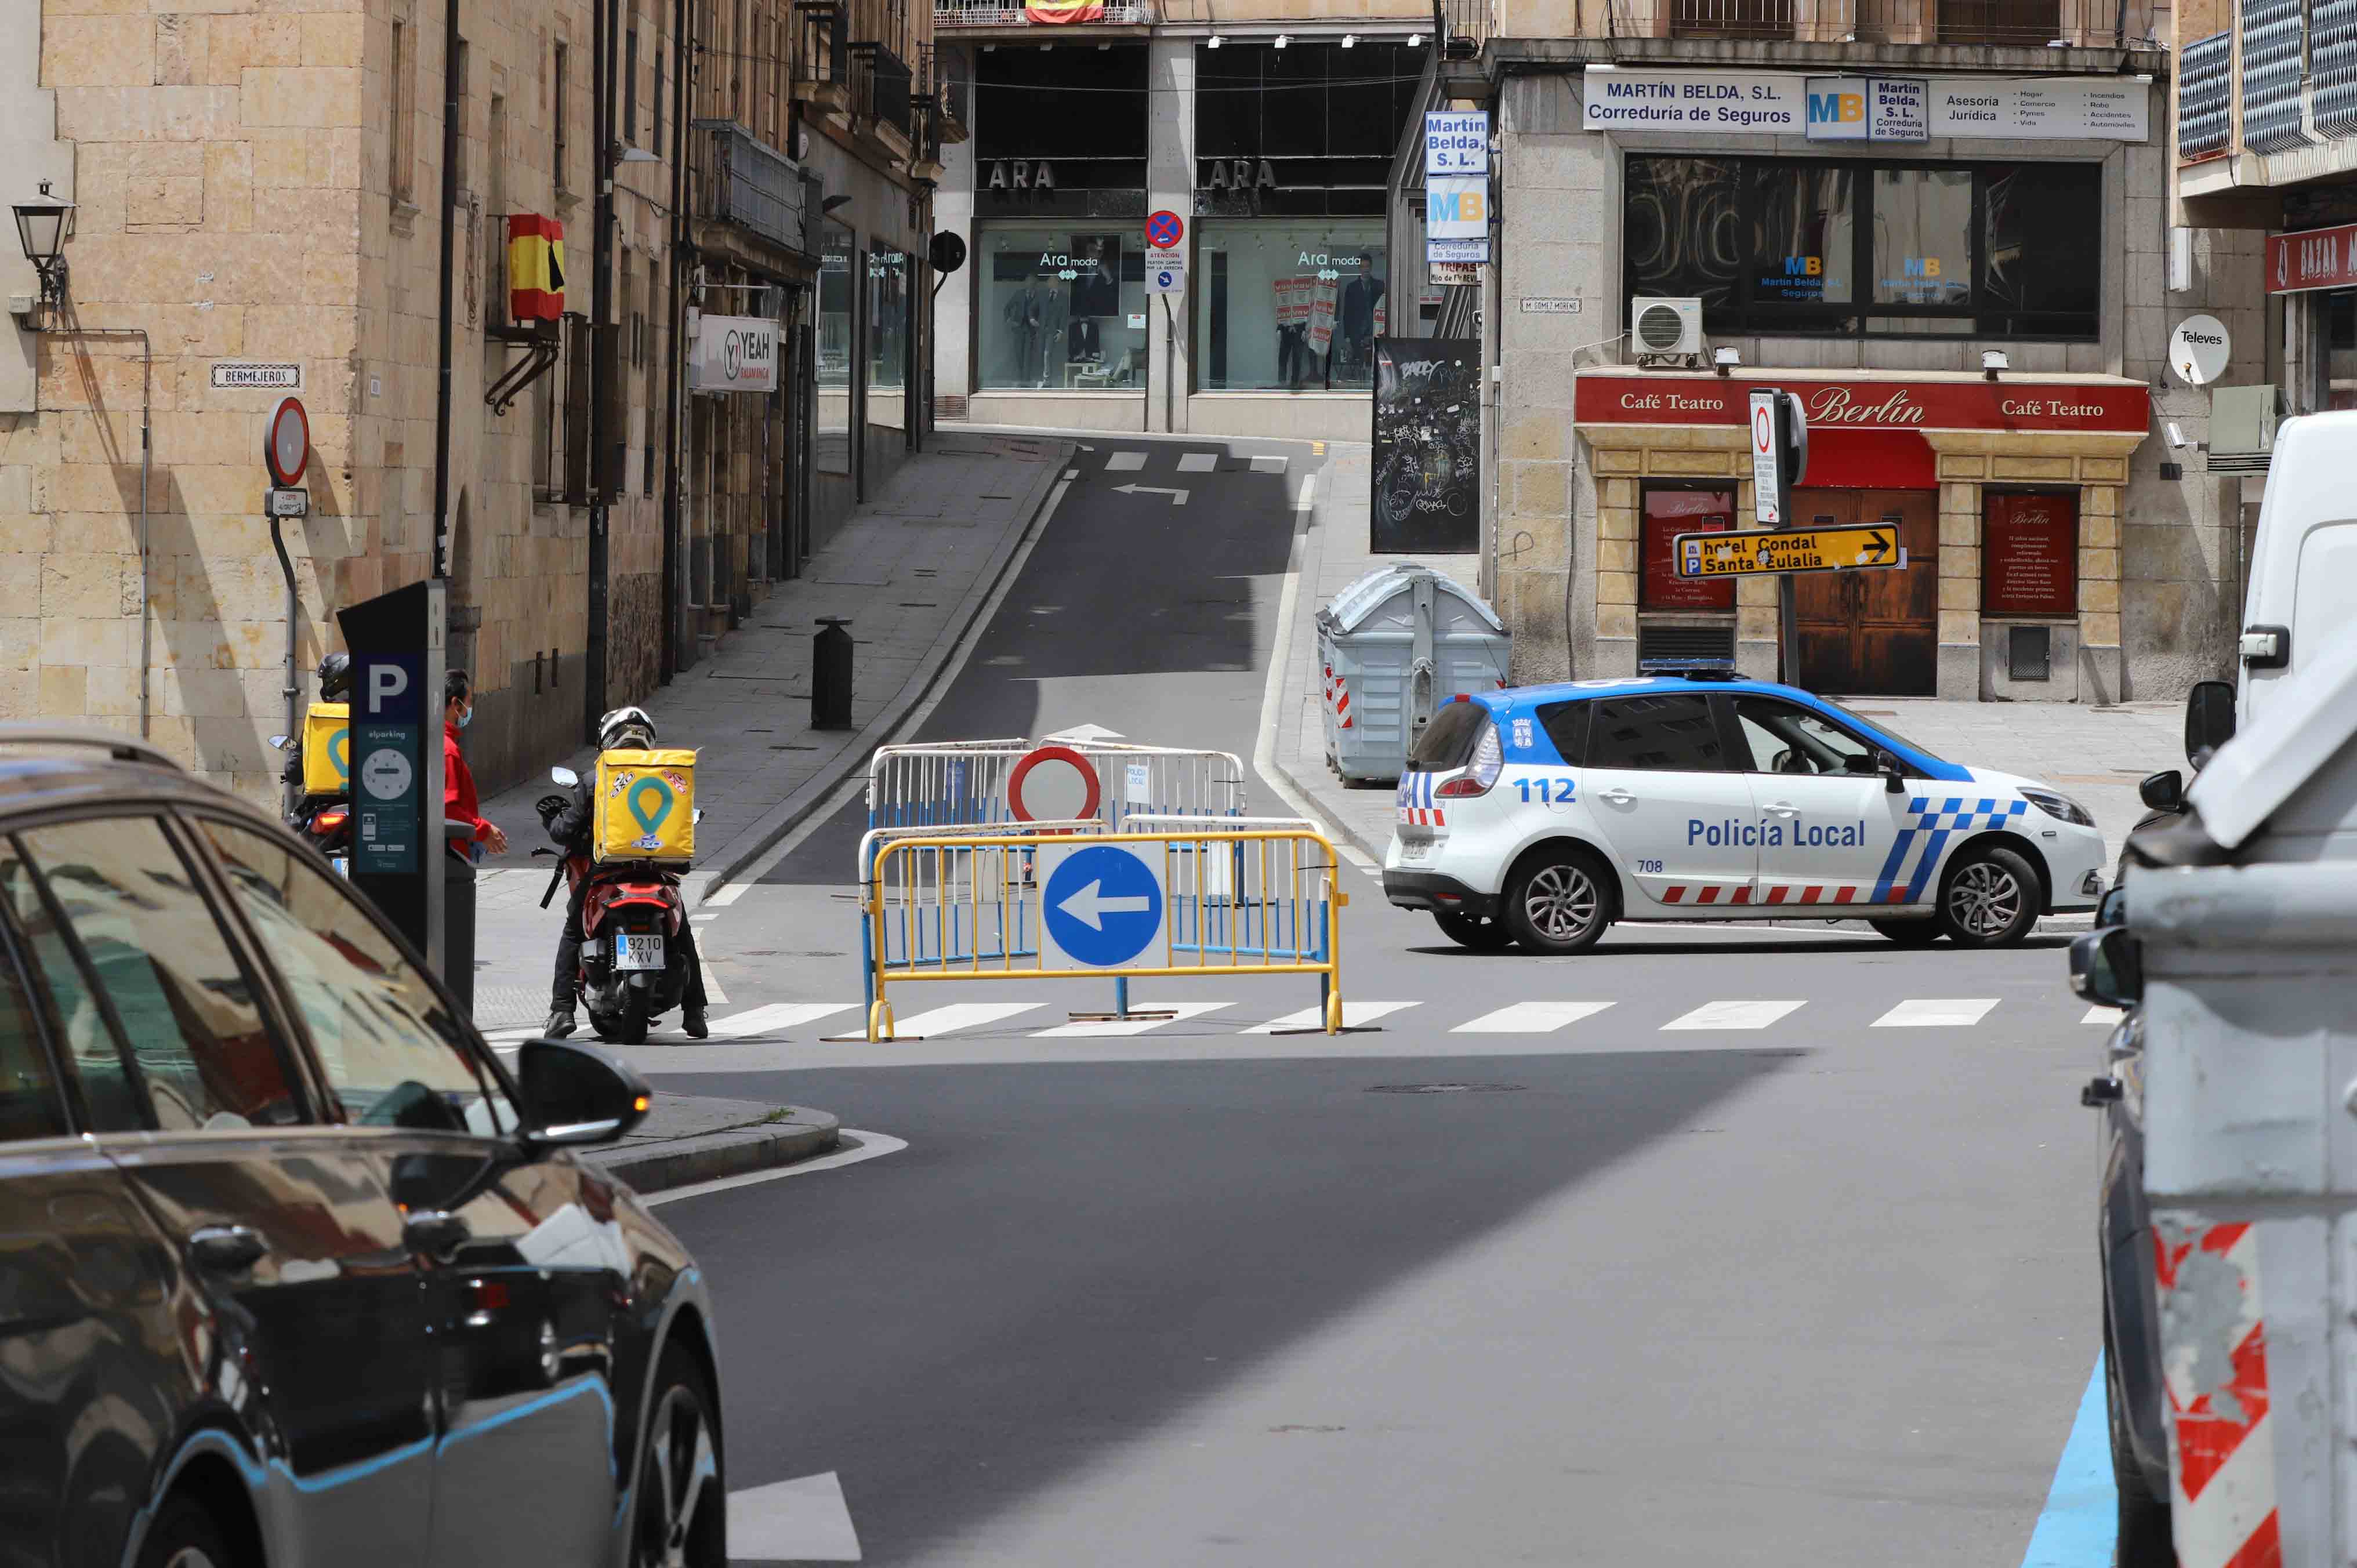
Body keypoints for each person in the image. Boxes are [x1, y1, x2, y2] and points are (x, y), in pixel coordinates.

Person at [541, 705, 709, 1040]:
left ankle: (561, 1012)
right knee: (683, 935)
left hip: (606, 874)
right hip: (658, 874)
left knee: (573, 932)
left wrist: (551, 818)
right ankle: (695, 1013)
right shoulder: (669, 775)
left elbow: (566, 831)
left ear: (609, 739)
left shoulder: (595, 779)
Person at [443, 669, 508, 862]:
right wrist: (483, 829)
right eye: (469, 702)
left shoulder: (445, 743)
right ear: (456, 704)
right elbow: (446, 809)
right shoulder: (447, 750)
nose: (470, 709)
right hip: (452, 853)